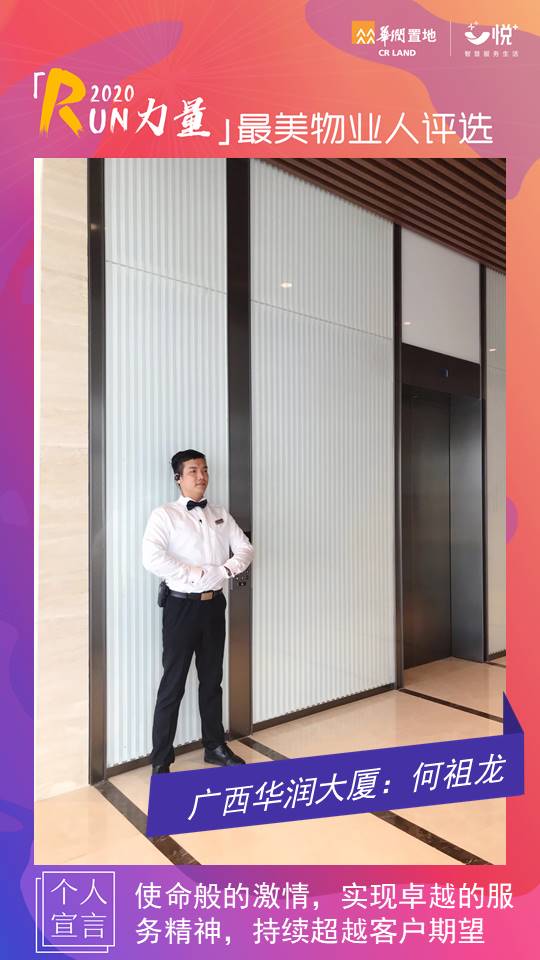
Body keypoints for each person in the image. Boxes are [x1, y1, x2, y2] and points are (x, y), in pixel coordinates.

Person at [142, 449, 254, 773]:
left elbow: (245, 548)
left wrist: (226, 570)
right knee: (173, 683)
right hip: (181, 607)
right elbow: (152, 558)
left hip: (214, 605)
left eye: (204, 470)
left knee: (212, 680)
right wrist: (194, 573)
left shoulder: (220, 514)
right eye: (193, 471)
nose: (201, 476)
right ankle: (161, 760)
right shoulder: (165, 515)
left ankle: (214, 746)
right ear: (178, 478)